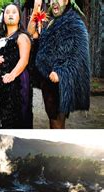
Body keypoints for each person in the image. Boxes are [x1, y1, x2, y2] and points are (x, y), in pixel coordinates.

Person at [29, 0, 90, 128]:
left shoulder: (75, 22)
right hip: (48, 80)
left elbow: (79, 55)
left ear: (67, 1)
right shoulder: (52, 21)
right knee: (52, 118)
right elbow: (38, 39)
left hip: (60, 82)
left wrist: (61, 72)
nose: (54, 2)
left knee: (57, 121)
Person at [0, 3, 32, 128]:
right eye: (7, 12)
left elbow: (24, 60)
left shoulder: (22, 37)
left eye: (14, 12)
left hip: (18, 84)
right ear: (3, 17)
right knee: (5, 119)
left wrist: (12, 75)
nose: (10, 14)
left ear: (19, 17)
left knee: (18, 119)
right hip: (2, 85)